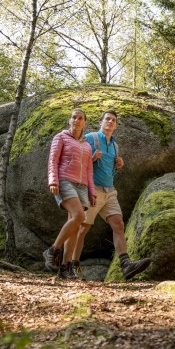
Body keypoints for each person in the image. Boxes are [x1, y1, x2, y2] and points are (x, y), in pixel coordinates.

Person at [70, 110, 151, 280]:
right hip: (92, 189)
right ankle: (72, 266)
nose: (110, 121)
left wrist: (117, 164)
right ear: (100, 122)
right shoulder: (91, 138)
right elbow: (77, 159)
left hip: (109, 190)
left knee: (118, 224)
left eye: (113, 120)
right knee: (83, 227)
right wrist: (91, 158)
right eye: (107, 119)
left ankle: (126, 264)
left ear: (116, 125)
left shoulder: (115, 145)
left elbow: (109, 169)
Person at [43, 108, 96, 279]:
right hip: (65, 180)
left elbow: (89, 170)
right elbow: (53, 160)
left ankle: (64, 267)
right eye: (74, 117)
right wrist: (53, 180)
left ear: (85, 123)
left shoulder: (87, 145)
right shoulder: (61, 137)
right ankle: (52, 250)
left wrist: (92, 192)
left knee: (75, 224)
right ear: (69, 120)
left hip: (81, 186)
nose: (77, 120)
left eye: (80, 118)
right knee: (79, 216)